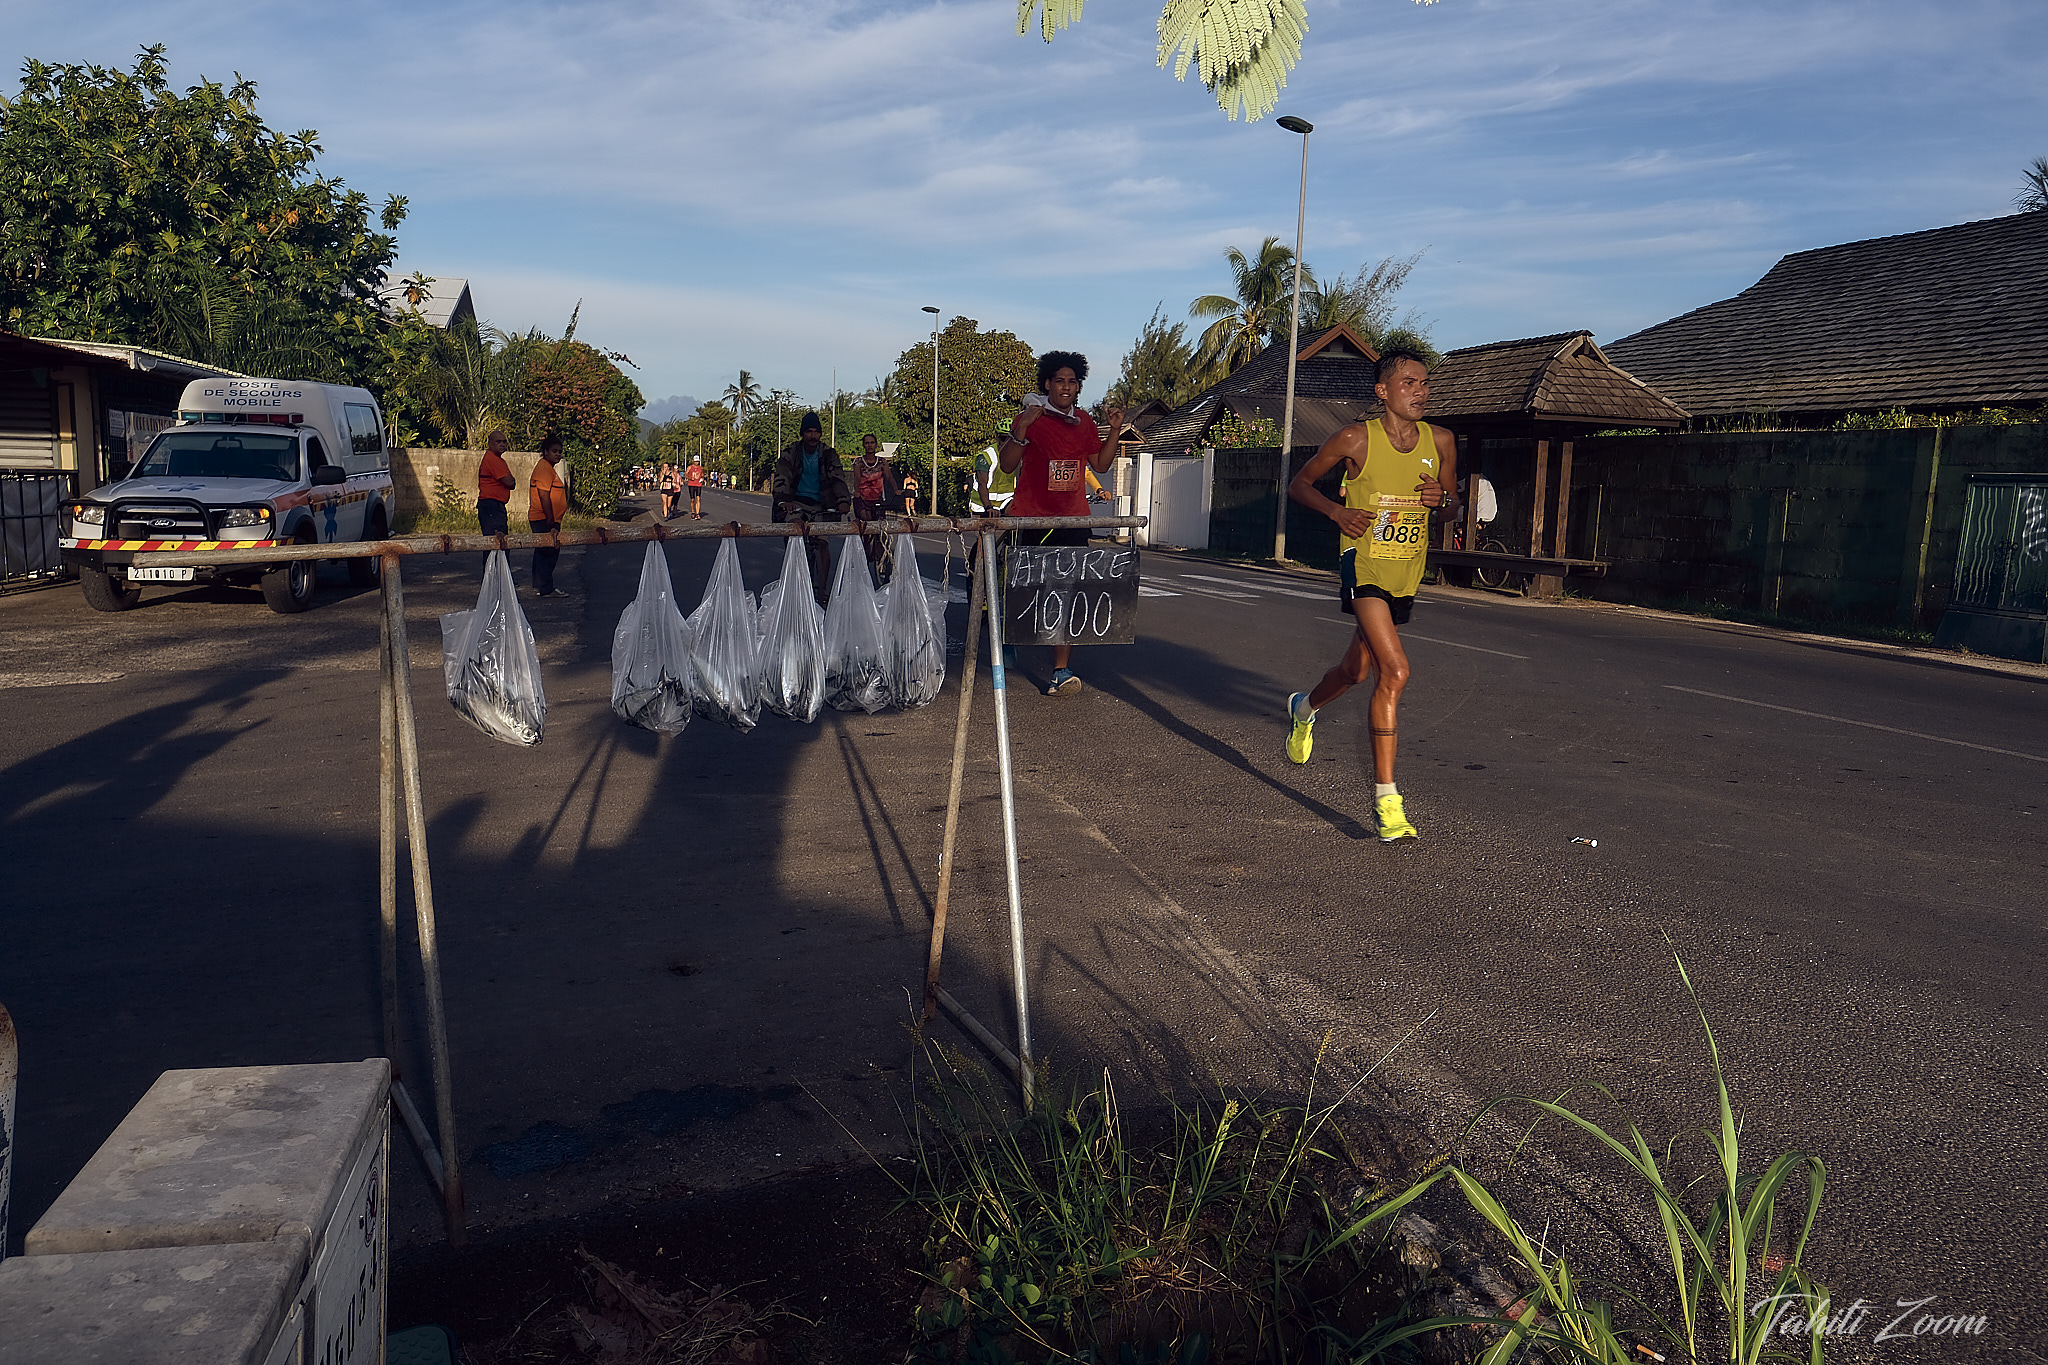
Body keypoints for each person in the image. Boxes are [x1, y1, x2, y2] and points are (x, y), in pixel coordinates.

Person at [1280, 350, 1458, 842]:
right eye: (1409, 383)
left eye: (1424, 383)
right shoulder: (1356, 438)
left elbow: (1451, 508)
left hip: (1406, 570)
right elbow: (1300, 485)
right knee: (1395, 670)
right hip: (1363, 566)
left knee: (1355, 672)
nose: (1421, 390)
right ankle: (1387, 800)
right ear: (1383, 391)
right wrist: (1337, 514)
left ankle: (1303, 708)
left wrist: (1442, 503)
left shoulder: (1440, 441)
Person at [995, 350, 1125, 695]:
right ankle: (1011, 636)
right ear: (1047, 384)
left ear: (1078, 387)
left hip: (1072, 518)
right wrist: (1022, 427)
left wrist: (1114, 431)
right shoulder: (1031, 418)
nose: (1066, 387)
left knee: (1066, 593)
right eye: (1060, 381)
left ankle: (1061, 672)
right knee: (1026, 591)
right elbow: (1007, 466)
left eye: (1072, 381)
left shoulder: (1083, 422)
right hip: (1031, 517)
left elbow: (1100, 465)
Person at [772, 411, 851, 604]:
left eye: (816, 431)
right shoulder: (791, 452)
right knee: (795, 532)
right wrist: (783, 500)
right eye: (808, 431)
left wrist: (843, 500)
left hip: (821, 505)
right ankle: (794, 584)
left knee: (823, 545)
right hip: (795, 503)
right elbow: (782, 476)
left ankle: (822, 588)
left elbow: (838, 478)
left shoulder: (828, 454)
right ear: (802, 433)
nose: (813, 436)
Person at [848, 433, 903, 577]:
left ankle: (880, 553)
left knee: (880, 527)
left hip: (878, 500)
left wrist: (896, 490)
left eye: (872, 442)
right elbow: (857, 478)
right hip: (863, 499)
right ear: (863, 445)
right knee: (866, 524)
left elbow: (889, 477)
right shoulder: (859, 462)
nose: (870, 445)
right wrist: (858, 492)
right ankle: (864, 551)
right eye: (867, 443)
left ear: (876, 445)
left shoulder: (882, 462)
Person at [528, 432, 569, 597]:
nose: (558, 454)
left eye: (559, 451)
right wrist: (550, 520)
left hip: (546, 518)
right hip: (544, 518)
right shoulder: (544, 468)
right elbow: (544, 495)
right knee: (549, 552)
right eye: (554, 451)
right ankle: (546, 588)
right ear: (545, 451)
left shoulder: (547, 468)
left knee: (543, 551)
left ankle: (540, 585)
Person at [476, 429, 514, 537]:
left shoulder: (498, 460)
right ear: (490, 443)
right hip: (491, 505)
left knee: (497, 542)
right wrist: (511, 480)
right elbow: (510, 482)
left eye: (504, 442)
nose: (502, 444)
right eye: (498, 442)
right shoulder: (492, 459)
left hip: (494, 505)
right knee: (496, 542)